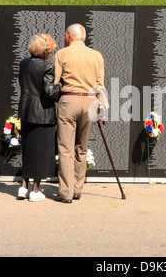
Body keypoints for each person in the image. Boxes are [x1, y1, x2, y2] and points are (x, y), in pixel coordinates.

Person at [53, 23, 108, 204]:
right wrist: (103, 109)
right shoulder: (96, 56)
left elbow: (55, 81)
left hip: (69, 99)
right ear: (83, 37)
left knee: (65, 148)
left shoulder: (61, 54)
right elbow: (100, 83)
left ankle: (66, 192)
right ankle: (77, 189)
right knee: (81, 147)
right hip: (91, 101)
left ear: (69, 36)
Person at [17, 34, 62, 202]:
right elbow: (49, 92)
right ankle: (35, 191)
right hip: (43, 114)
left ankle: (23, 187)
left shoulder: (23, 63)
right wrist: (61, 86)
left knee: (28, 150)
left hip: (26, 112)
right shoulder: (47, 67)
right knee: (40, 153)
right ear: (46, 49)